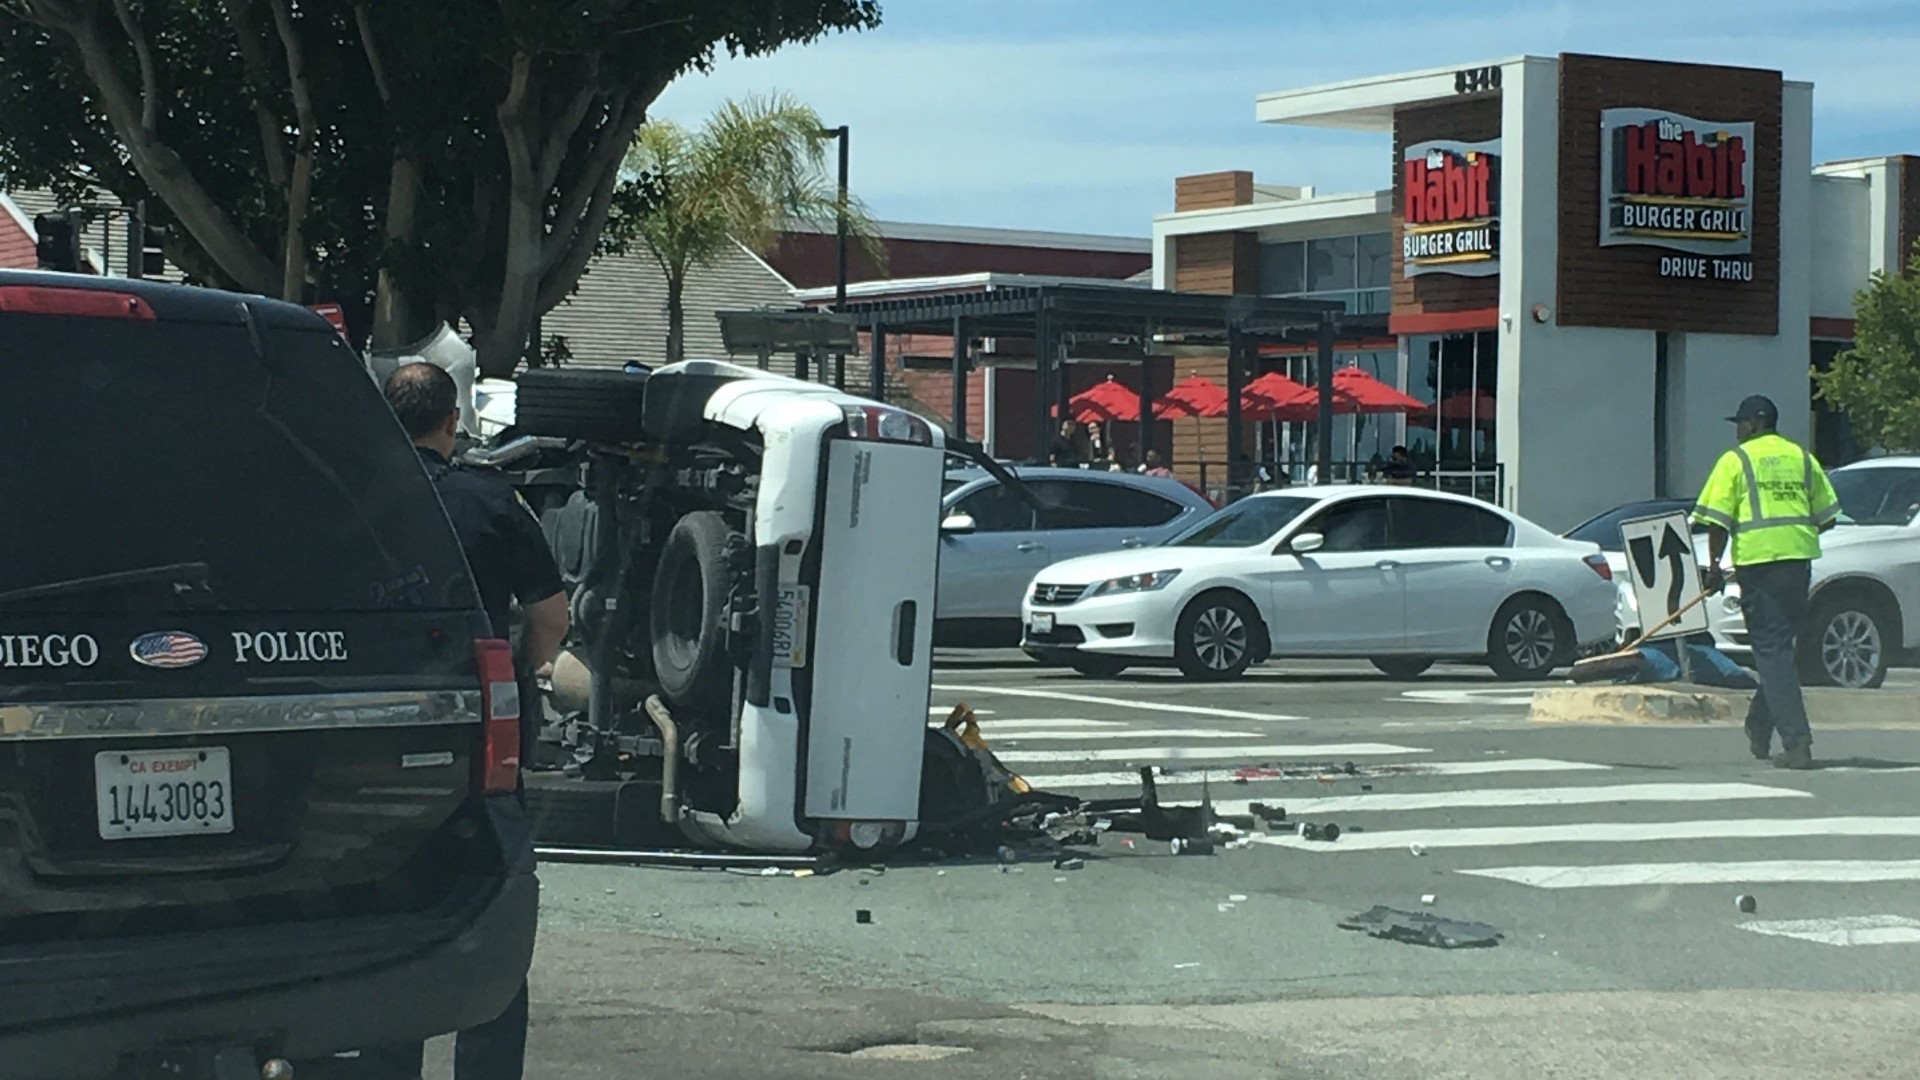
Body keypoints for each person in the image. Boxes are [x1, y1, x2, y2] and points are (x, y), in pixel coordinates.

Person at [383, 362, 571, 1079]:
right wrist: (522, 665)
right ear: (452, 420)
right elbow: (551, 615)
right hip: (480, 742)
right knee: (490, 909)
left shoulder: (356, 500)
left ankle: (385, 1055)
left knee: (386, 906)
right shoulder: (492, 502)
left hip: (374, 739)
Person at [1692, 394, 1839, 770]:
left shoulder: (1736, 461)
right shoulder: (1802, 458)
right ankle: (1759, 723)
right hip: (1797, 564)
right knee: (1780, 652)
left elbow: (1716, 521)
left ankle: (1797, 742)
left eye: (1741, 423)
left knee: (1771, 653)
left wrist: (1712, 568)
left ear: (1755, 423)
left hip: (1758, 566)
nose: (1738, 430)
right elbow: (1827, 517)